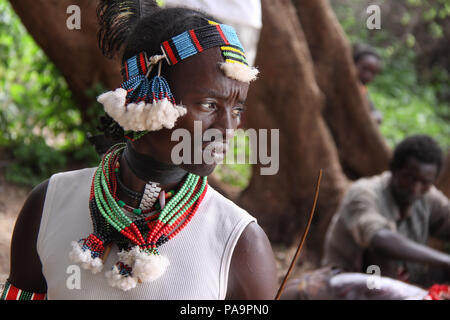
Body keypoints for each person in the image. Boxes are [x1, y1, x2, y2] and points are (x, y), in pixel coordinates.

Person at [1, 1, 278, 300]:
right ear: (146, 95)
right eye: (209, 105)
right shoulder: (48, 204)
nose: (227, 128)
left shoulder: (239, 244)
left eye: (236, 109)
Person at [322, 135, 450, 288]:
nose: (415, 188)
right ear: (394, 169)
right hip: (348, 286)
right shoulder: (364, 193)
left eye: (424, 182)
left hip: (400, 286)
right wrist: (445, 260)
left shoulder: (428, 197)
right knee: (383, 254)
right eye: (409, 178)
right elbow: (380, 239)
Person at [353, 43, 383, 124]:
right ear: (353, 64)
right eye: (364, 68)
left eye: (373, 73)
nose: (368, 76)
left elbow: (374, 111)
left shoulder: (362, 90)